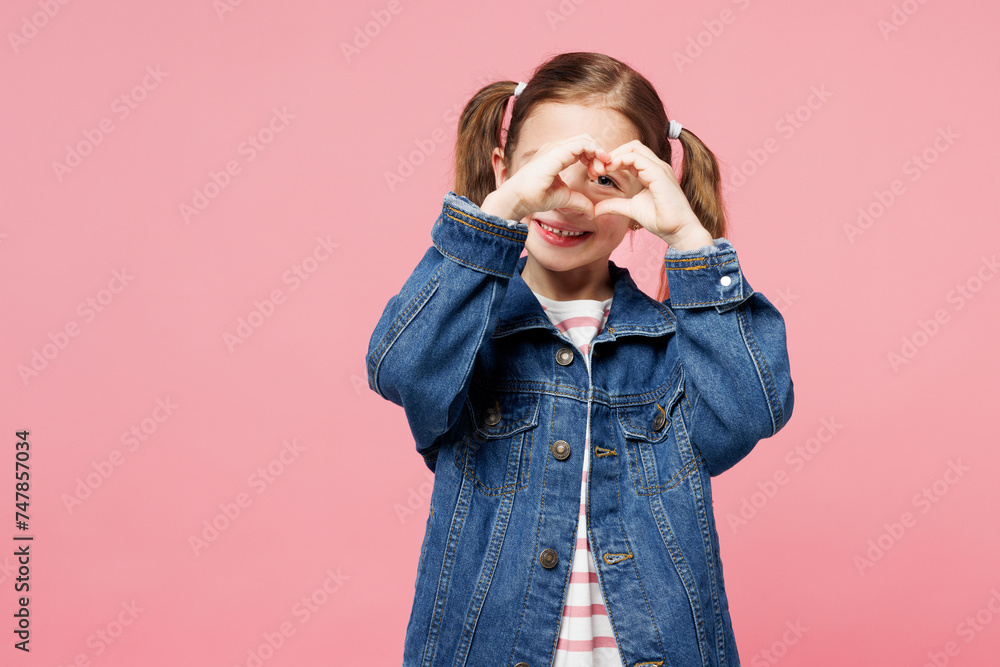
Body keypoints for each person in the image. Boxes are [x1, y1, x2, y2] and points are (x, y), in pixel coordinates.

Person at [366, 51, 794, 667]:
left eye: (603, 181)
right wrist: (497, 219)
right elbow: (401, 370)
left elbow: (751, 411)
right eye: (546, 169)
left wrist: (690, 242)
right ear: (503, 169)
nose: (566, 201)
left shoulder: (676, 346)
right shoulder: (467, 330)